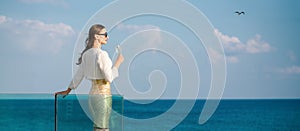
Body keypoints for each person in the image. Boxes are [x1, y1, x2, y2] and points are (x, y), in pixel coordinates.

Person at [55, 24, 124, 131]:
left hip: (92, 95)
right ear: (96, 36)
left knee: (97, 126)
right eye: (105, 34)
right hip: (103, 95)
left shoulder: (86, 54)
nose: (107, 37)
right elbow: (109, 78)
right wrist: (118, 63)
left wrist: (68, 90)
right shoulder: (102, 54)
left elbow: (79, 75)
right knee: (103, 127)